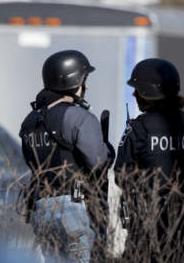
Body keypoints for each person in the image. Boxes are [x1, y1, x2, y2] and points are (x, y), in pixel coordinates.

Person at [19, 50, 114, 263]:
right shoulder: (78, 117)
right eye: (84, 79)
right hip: (74, 209)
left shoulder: (29, 121)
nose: (86, 86)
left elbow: (31, 162)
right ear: (71, 80)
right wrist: (109, 150)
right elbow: (98, 162)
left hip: (41, 209)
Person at [113, 58, 184, 261]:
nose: (134, 94)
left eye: (137, 89)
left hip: (148, 225)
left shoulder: (138, 129)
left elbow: (121, 176)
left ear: (146, 93)